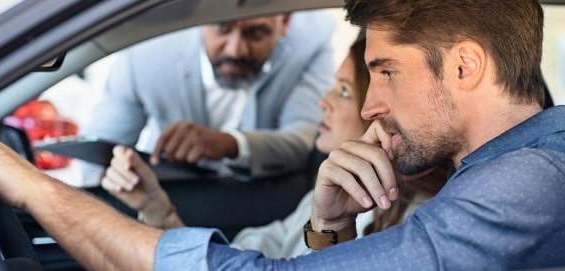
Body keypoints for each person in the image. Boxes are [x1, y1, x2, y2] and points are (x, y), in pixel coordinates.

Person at [0, 0, 565, 270]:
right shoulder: (510, 171)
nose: (372, 101)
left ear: (466, 65)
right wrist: (326, 225)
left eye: (384, 71)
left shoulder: (526, 183)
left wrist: (30, 185)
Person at [100, 36, 450, 257]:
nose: (323, 103)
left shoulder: (423, 224)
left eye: (343, 91)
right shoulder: (329, 195)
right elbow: (242, 259)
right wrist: (156, 209)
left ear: (380, 112)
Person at [83, 11, 335, 177]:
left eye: (255, 33)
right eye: (222, 28)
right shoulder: (145, 53)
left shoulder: (312, 42)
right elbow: (99, 154)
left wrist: (227, 143)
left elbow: (303, 140)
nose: (236, 50)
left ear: (285, 23)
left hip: (264, 200)